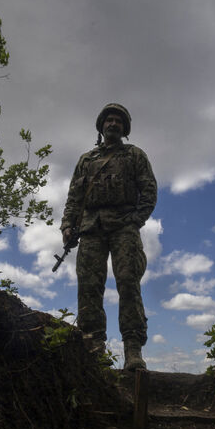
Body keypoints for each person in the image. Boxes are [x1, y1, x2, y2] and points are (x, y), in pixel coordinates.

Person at [61, 103, 157, 371]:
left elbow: (149, 190)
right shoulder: (87, 160)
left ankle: (133, 350)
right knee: (89, 286)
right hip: (91, 227)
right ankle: (93, 348)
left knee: (128, 282)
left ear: (124, 129)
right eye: (109, 120)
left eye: (118, 121)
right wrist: (68, 226)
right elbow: (74, 197)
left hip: (124, 225)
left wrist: (136, 220)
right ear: (101, 126)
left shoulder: (135, 155)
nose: (113, 124)